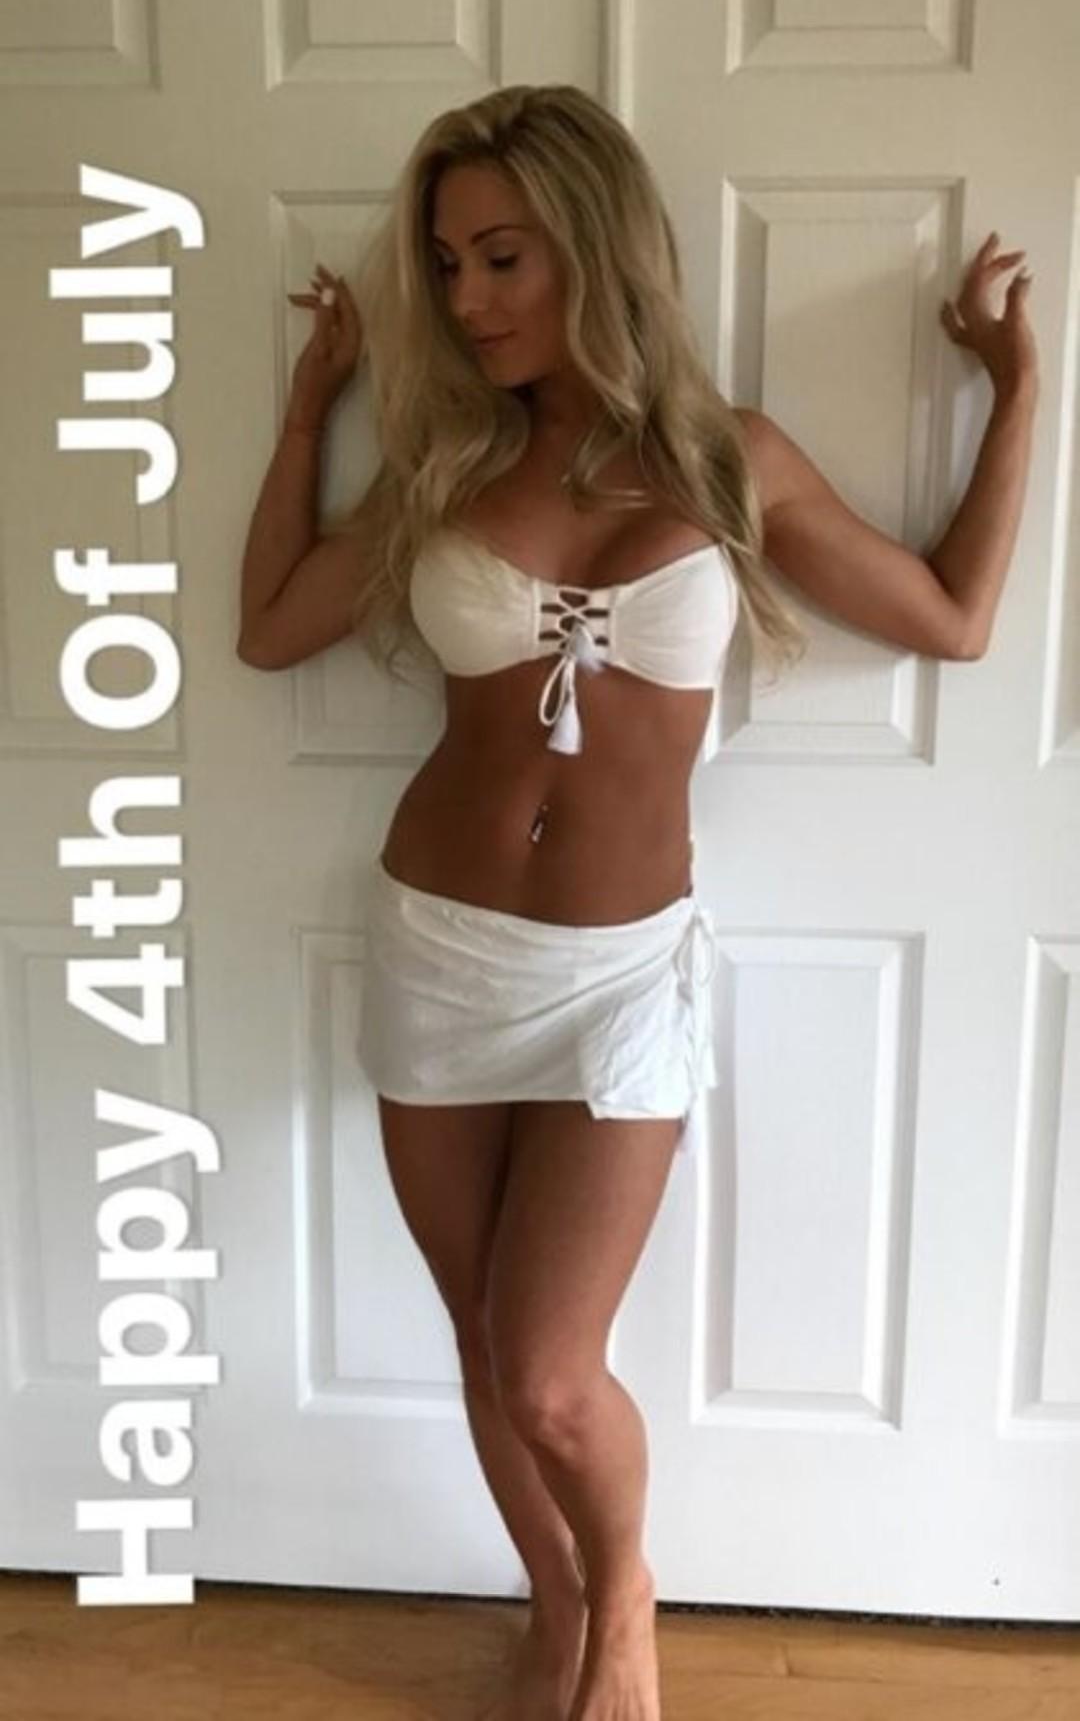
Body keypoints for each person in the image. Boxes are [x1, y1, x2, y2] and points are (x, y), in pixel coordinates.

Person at [237, 83, 1038, 1721]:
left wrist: (1020, 385)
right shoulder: (446, 465)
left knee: (548, 1365)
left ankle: (626, 1601)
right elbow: (271, 627)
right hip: (437, 950)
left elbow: (955, 619)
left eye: (503, 256)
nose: (469, 300)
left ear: (595, 247)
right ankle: (555, 1603)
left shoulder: (731, 460)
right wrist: (312, 408)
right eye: (448, 264)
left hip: (619, 978)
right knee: (484, 1344)